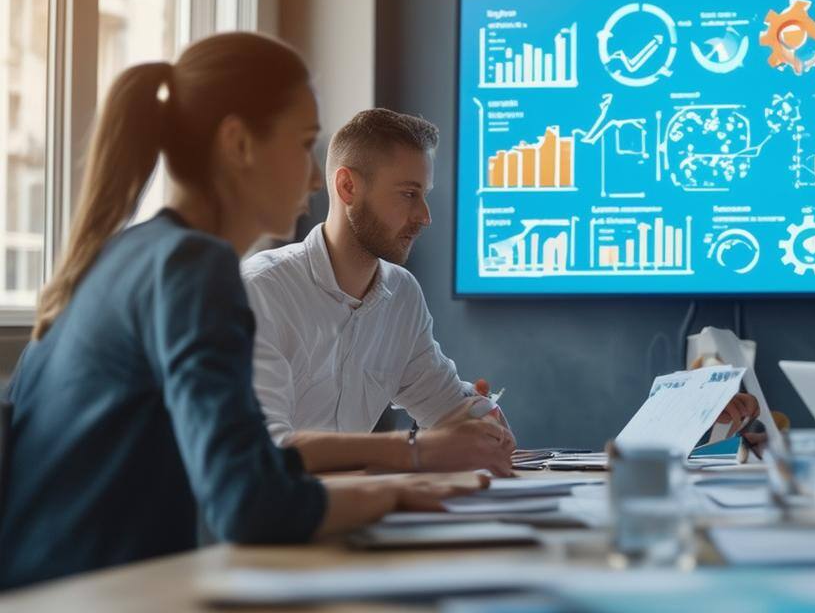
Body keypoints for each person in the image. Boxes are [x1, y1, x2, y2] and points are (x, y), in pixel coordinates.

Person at [0, 34, 480, 591]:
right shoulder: (194, 267)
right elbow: (248, 502)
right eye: (303, 144)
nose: (312, 177)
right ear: (238, 143)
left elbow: (247, 469)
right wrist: (399, 487)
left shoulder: (125, 255)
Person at [244, 109, 760, 476]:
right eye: (408, 195)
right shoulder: (263, 292)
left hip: (356, 522)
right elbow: (267, 451)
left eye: (425, 196)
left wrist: (684, 418)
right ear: (347, 187)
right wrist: (419, 450)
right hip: (268, 537)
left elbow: (452, 414)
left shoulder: (399, 296)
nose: (424, 217)